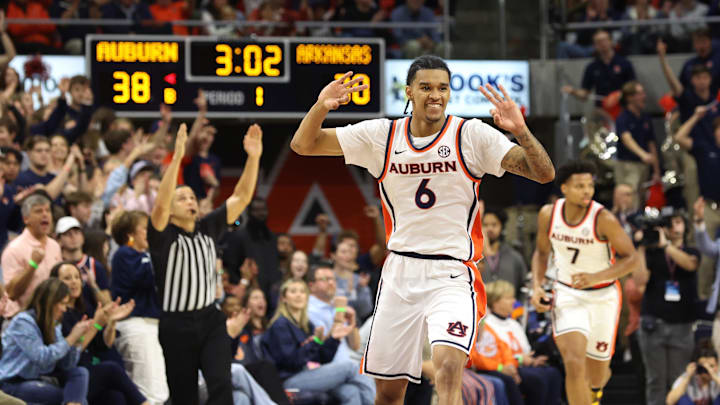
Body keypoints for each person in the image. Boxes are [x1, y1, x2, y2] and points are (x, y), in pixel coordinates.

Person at [291, 55, 554, 405]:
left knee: (447, 370)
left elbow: (544, 173)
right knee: (387, 392)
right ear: (409, 92)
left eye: (442, 88)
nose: (435, 95)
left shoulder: (470, 134)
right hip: (400, 271)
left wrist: (520, 131)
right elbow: (304, 145)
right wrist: (321, 106)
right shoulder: (381, 135)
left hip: (451, 273)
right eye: (426, 87)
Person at [149, 123, 262, 405]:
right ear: (173, 210)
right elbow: (160, 207)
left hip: (210, 320)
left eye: (191, 196)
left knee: (221, 383)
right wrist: (176, 158)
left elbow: (241, 197)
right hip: (176, 326)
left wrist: (254, 158)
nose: (190, 200)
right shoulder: (163, 235)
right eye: (182, 198)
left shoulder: (209, 226)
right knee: (183, 395)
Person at [531, 159, 640, 405]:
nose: (587, 191)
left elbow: (632, 258)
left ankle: (594, 394)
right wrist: (537, 286)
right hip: (567, 294)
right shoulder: (548, 214)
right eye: (580, 186)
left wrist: (597, 276)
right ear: (565, 189)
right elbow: (541, 252)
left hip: (602, 296)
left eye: (590, 186)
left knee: (597, 375)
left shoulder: (604, 218)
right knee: (573, 362)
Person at [261, 279, 373, 405]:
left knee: (351, 391)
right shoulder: (280, 325)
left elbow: (322, 358)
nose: (298, 295)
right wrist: (314, 342)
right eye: (293, 292)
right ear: (283, 299)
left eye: (302, 292)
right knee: (350, 367)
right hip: (289, 379)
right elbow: (290, 362)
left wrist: (333, 339)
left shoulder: (307, 325)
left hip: (310, 375)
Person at [50, 261, 148, 405]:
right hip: (70, 376)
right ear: (54, 283)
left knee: (116, 397)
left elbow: (105, 344)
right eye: (67, 278)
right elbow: (70, 353)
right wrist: (96, 324)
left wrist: (112, 322)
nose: (74, 282)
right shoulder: (57, 313)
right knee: (111, 369)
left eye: (77, 277)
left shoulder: (85, 308)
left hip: (91, 369)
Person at [633, 209, 700, 405]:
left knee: (678, 380)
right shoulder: (651, 253)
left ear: (685, 226)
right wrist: (642, 246)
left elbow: (689, 265)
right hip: (654, 325)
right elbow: (639, 280)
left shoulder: (691, 251)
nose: (675, 227)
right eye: (670, 224)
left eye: (679, 222)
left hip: (683, 325)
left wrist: (666, 246)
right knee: (655, 381)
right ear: (664, 228)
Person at [0, 278, 91, 404]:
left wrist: (76, 343)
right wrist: (71, 339)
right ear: (49, 302)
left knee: (80, 372)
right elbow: (41, 358)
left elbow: (67, 365)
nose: (64, 309)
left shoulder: (54, 324)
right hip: (14, 383)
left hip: (43, 379)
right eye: (62, 304)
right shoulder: (23, 321)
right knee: (73, 397)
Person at [110, 210, 169, 405]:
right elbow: (149, 274)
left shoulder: (144, 255)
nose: (151, 232)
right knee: (151, 394)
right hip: (136, 325)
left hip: (150, 326)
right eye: (145, 228)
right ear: (130, 235)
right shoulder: (125, 254)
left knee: (157, 390)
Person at [1, 193, 62, 318]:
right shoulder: (14, 249)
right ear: (26, 219)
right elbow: (11, 294)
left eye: (48, 210)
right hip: (22, 319)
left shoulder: (55, 246)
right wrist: (32, 265)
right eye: (38, 211)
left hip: (51, 317)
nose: (45, 214)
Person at [614, 81, 661, 203]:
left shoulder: (645, 118)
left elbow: (651, 143)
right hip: (628, 165)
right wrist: (643, 154)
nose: (643, 96)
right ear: (630, 97)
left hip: (644, 166)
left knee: (640, 200)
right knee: (628, 198)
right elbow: (627, 139)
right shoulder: (623, 118)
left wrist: (656, 170)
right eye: (639, 93)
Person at [57, 216, 112, 316]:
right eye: (67, 234)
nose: (73, 237)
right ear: (59, 240)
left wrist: (93, 286)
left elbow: (107, 305)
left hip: (92, 321)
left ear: (83, 237)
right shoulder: (56, 265)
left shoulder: (95, 265)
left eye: (77, 232)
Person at [481, 209, 528, 298]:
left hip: (510, 310)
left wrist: (518, 310)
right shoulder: (473, 258)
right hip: (480, 309)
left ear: (502, 227)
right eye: (485, 225)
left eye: (494, 225)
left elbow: (523, 288)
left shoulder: (515, 257)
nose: (490, 229)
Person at [666, 340, 720, 405]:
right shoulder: (688, 376)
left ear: (717, 365)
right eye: (703, 367)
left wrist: (714, 377)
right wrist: (687, 378)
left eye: (712, 366)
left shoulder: (717, 376)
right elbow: (669, 401)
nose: (707, 370)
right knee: (682, 399)